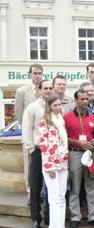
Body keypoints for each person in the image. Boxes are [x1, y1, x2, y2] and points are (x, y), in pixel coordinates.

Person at [64, 90, 94, 228]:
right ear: (75, 101)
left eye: (86, 99)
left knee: (92, 186)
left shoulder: (93, 118)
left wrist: (93, 144)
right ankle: (75, 217)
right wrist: (78, 142)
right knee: (75, 187)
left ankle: (93, 216)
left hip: (89, 155)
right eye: (82, 99)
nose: (85, 102)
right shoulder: (67, 117)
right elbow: (63, 137)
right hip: (75, 154)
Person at [21, 79, 52, 228]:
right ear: (39, 90)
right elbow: (26, 129)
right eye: (45, 88)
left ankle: (49, 217)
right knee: (35, 186)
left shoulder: (55, 107)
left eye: (50, 88)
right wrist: (31, 148)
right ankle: (35, 218)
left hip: (52, 153)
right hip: (38, 151)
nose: (48, 91)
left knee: (51, 187)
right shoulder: (32, 108)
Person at [39, 95, 70, 228]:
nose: (58, 108)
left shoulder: (61, 120)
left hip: (62, 161)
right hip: (51, 164)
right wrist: (49, 165)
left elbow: (63, 141)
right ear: (49, 107)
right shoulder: (45, 122)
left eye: (59, 105)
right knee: (54, 197)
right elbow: (44, 146)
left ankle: (60, 227)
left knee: (61, 195)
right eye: (55, 105)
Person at [15, 64, 43, 201]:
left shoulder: (44, 91)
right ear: (30, 74)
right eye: (35, 73)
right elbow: (19, 114)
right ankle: (30, 193)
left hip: (42, 138)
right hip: (29, 138)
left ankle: (41, 192)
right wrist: (27, 137)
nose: (38, 76)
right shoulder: (22, 91)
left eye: (40, 73)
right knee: (29, 166)